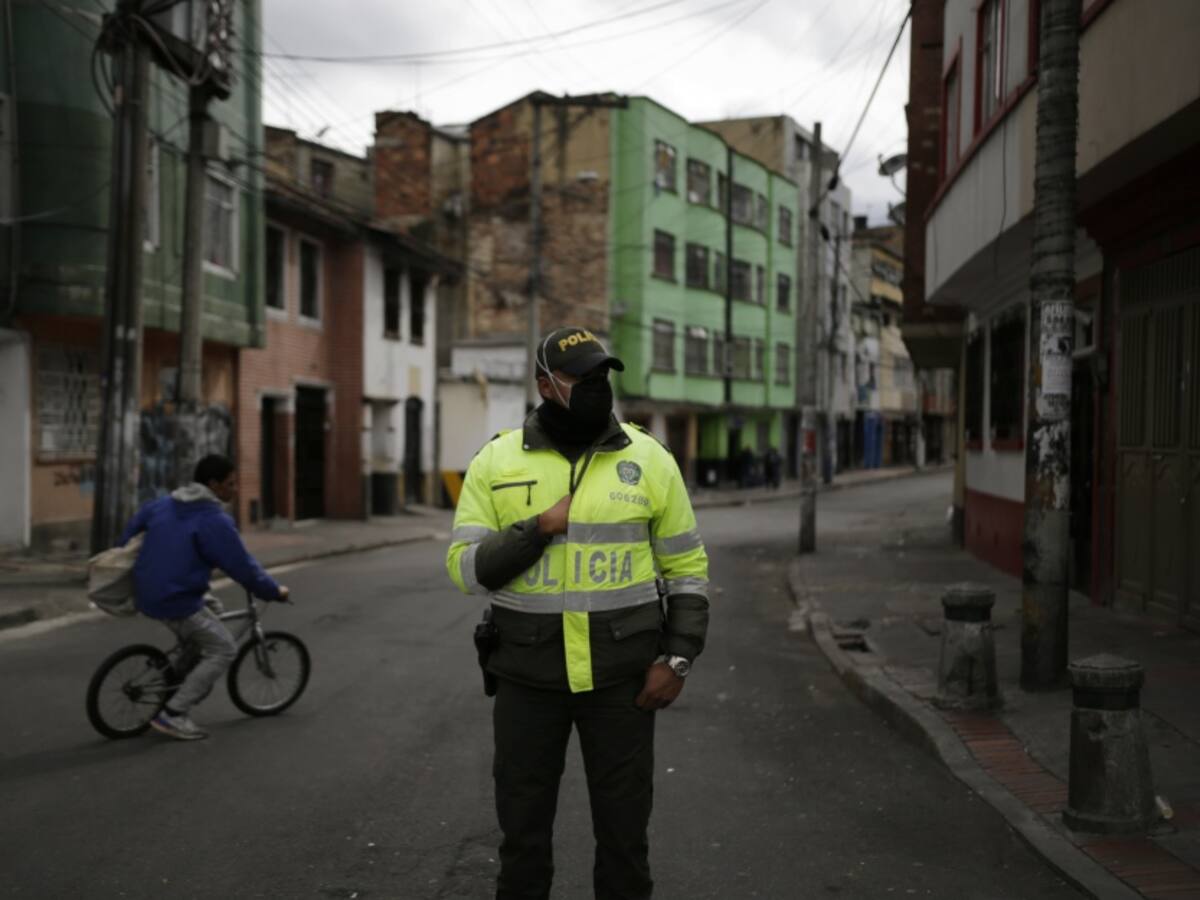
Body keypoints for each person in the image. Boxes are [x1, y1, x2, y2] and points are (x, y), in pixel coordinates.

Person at [447, 326, 710, 900]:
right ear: (546, 384)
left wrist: (680, 656)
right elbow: (466, 570)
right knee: (522, 841)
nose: (597, 388)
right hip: (525, 678)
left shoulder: (650, 459)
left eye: (602, 377)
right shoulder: (496, 460)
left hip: (623, 680)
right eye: (582, 379)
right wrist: (538, 528)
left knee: (624, 840)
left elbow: (687, 566)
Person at [118, 454, 288, 741]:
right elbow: (242, 565)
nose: (235, 490)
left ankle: (182, 667)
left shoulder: (164, 503)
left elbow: (131, 530)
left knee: (214, 607)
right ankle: (174, 714)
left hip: (148, 589)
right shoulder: (213, 519)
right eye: (231, 484)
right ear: (213, 484)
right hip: (176, 598)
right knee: (224, 649)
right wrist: (273, 591)